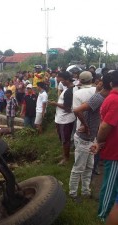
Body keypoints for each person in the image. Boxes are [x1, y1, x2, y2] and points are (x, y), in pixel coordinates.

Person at [90, 70, 118, 221]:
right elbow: (105, 127)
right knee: (110, 185)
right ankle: (103, 215)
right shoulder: (114, 100)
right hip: (114, 151)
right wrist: (99, 142)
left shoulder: (112, 98)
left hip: (113, 148)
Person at [68, 71, 96, 201]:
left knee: (79, 166)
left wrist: (85, 124)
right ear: (92, 79)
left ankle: (79, 192)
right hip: (92, 133)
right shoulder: (97, 91)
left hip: (83, 132)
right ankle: (80, 192)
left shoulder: (77, 93)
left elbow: (75, 111)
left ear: (80, 80)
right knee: (88, 166)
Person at [49, 71, 76, 165]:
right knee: (63, 139)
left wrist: (55, 103)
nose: (59, 81)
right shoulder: (68, 89)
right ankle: (65, 154)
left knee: (65, 140)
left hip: (65, 120)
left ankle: (66, 158)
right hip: (62, 119)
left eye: (60, 79)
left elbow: (68, 108)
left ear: (66, 79)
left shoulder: (69, 91)